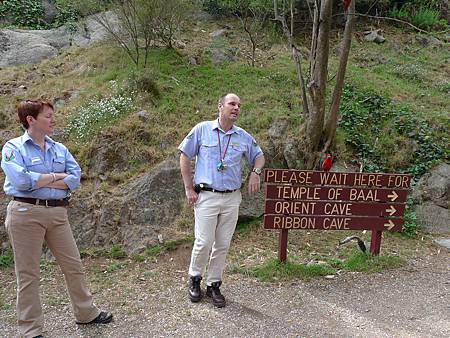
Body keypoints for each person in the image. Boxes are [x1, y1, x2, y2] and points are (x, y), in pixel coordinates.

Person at [1, 99, 113, 338]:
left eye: (53, 115)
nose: (53, 119)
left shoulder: (59, 148)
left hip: (58, 212)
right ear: (31, 120)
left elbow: (75, 177)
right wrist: (55, 176)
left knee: (73, 265)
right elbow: (20, 181)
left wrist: (41, 179)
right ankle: (31, 329)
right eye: (48, 115)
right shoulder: (13, 147)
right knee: (28, 273)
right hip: (25, 213)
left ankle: (86, 313)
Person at [178, 93, 265, 308]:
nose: (236, 108)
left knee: (223, 244)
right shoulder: (202, 130)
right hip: (206, 196)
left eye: (239, 105)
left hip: (232, 198)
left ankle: (214, 284)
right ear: (220, 106)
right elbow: (184, 156)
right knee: (204, 241)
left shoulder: (243, 136)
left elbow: (259, 156)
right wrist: (189, 188)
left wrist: (256, 172)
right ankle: (195, 279)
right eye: (232, 104)